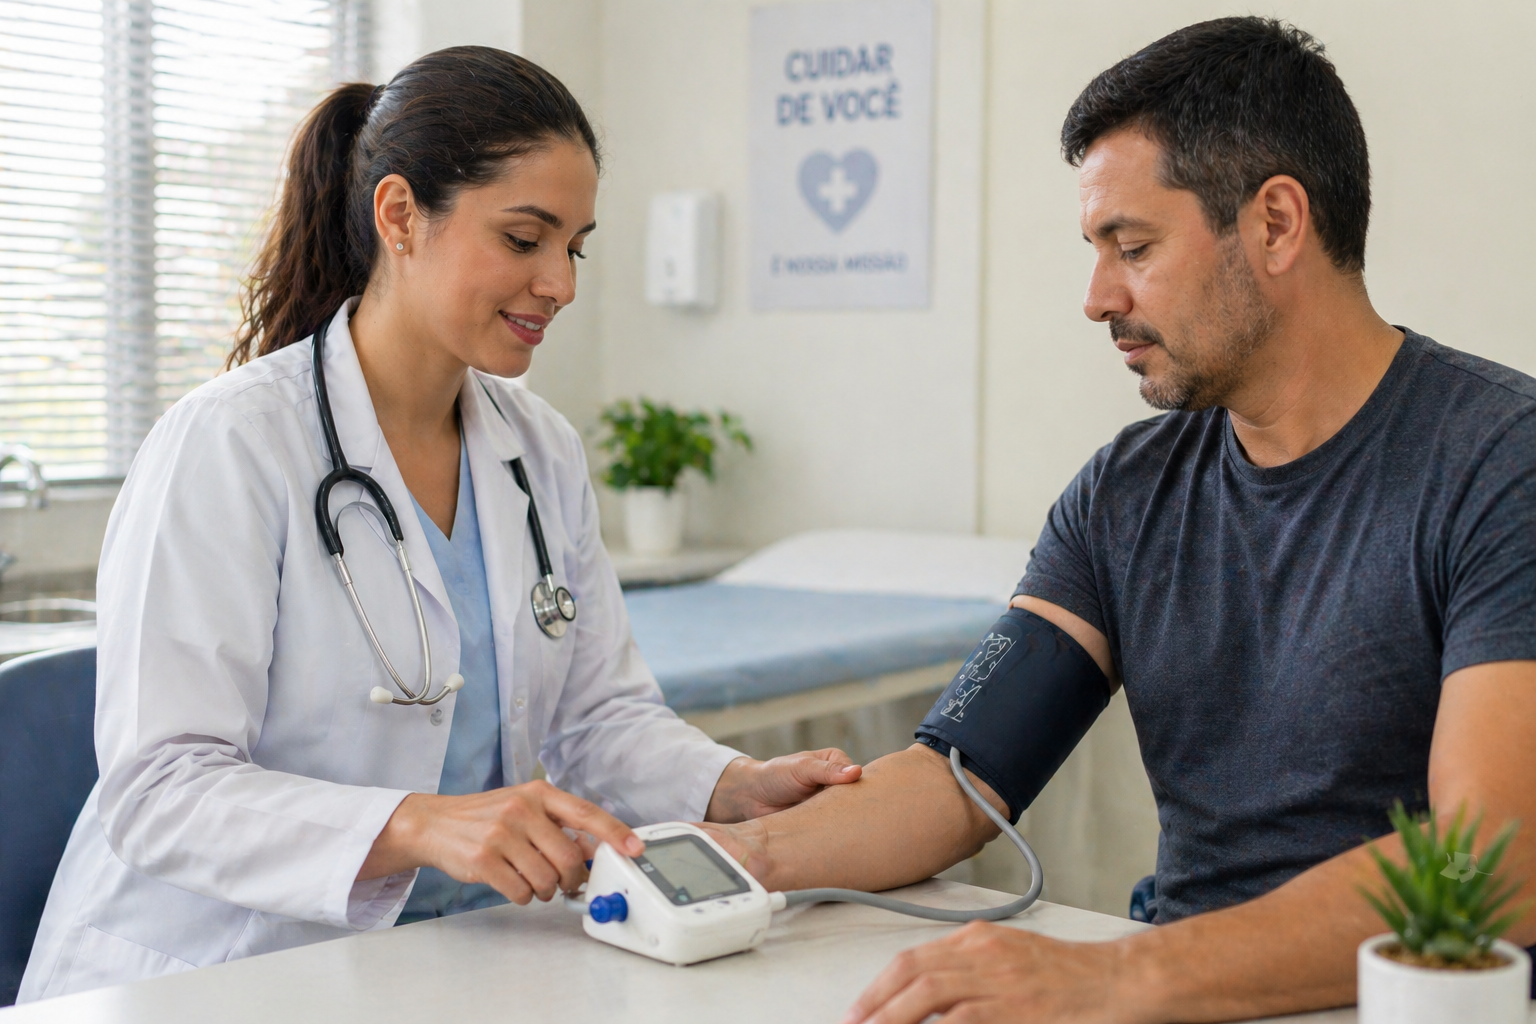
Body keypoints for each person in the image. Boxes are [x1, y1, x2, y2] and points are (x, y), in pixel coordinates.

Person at [705, 18, 1536, 1023]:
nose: (1098, 298)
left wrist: (1112, 976)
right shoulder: (1128, 490)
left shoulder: (1501, 462)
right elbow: (955, 777)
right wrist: (724, 859)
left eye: (1132, 247)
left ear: (1275, 223)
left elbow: (1490, 858)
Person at [18, 47, 860, 1002]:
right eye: (523, 238)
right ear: (399, 215)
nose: (561, 284)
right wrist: (418, 824)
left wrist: (730, 784)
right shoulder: (230, 445)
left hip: (455, 957)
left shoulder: (537, 449)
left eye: (574, 246)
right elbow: (160, 790)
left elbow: (597, 717)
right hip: (224, 972)